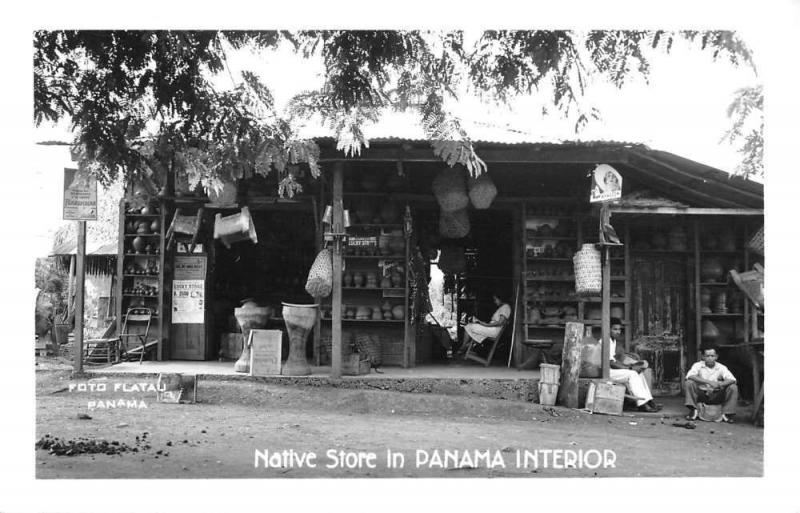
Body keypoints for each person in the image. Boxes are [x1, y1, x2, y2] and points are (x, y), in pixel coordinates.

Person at [608, 318, 662, 412]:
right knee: (632, 374)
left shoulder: (613, 341)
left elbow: (615, 360)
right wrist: (630, 368)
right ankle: (642, 405)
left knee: (638, 373)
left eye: (619, 329)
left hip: (613, 370)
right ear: (608, 329)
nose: (618, 332)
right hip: (606, 371)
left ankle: (649, 401)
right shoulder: (606, 341)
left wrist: (633, 366)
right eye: (615, 329)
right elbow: (611, 363)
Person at [684, 348, 738, 423]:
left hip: (717, 394)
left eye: (712, 356)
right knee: (689, 383)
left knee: (733, 387)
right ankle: (693, 410)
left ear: (716, 357)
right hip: (702, 394)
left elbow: (732, 379)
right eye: (707, 356)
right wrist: (709, 382)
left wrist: (719, 384)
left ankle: (727, 414)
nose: (710, 358)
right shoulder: (697, 365)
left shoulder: (721, 367)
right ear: (703, 357)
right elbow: (690, 376)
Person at [458, 290, 511, 356]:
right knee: (473, 327)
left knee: (468, 326)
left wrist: (486, 325)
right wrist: (481, 323)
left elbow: (500, 322)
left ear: (500, 298)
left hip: (494, 331)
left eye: (495, 299)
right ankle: (466, 347)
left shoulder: (506, 307)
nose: (495, 301)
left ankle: (463, 347)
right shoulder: (503, 307)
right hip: (492, 329)